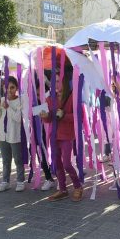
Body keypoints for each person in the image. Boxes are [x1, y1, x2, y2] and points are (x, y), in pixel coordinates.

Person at [40, 65, 83, 202]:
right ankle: (63, 189)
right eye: (53, 82)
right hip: (53, 136)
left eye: (58, 81)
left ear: (64, 81)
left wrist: (64, 115)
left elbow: (78, 117)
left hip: (66, 136)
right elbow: (47, 120)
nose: (55, 84)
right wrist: (45, 115)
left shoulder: (72, 97)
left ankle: (77, 186)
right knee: (57, 164)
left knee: (66, 163)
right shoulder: (50, 98)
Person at [0, 76, 25, 192]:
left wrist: (8, 108)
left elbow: (18, 118)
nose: (9, 90)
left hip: (15, 134)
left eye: (12, 87)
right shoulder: (2, 100)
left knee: (18, 159)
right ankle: (5, 181)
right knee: (6, 160)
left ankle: (20, 180)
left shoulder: (20, 100)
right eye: (6, 87)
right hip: (3, 135)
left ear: (16, 88)